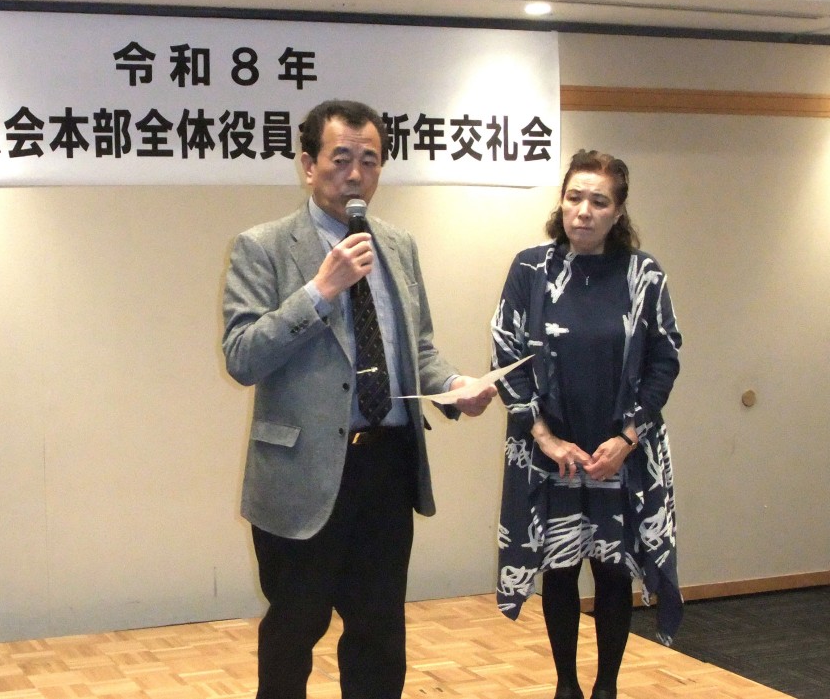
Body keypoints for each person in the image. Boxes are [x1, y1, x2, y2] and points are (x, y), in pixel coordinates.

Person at [222, 99, 495, 699]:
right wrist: (320, 291)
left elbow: (416, 349)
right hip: (303, 473)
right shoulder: (262, 247)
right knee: (294, 630)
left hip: (387, 466)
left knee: (379, 633)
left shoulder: (398, 245)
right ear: (307, 165)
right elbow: (242, 357)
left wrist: (455, 387)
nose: (355, 174)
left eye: (369, 161)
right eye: (340, 158)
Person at [490, 150, 683, 699]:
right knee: (559, 568)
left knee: (613, 570)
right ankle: (566, 686)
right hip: (552, 453)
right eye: (574, 197)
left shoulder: (643, 274)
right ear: (561, 202)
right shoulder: (531, 269)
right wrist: (545, 438)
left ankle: (607, 687)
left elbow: (664, 359)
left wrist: (627, 438)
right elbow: (506, 354)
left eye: (599, 201)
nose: (583, 210)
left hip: (620, 453)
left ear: (618, 211)